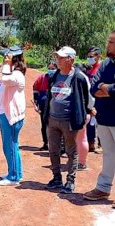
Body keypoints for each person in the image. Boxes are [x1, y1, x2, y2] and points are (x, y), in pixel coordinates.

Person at [44, 46, 89, 193]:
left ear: (71, 59)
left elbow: (86, 99)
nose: (58, 60)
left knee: (71, 151)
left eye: (61, 58)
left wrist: (82, 116)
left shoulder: (79, 78)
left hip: (69, 121)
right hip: (52, 120)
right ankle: (56, 178)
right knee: (53, 150)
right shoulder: (53, 76)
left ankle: (70, 181)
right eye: (57, 57)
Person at [83, 31, 115, 204]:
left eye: (111, 42)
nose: (107, 44)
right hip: (104, 118)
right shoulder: (105, 64)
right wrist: (107, 89)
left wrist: (106, 89)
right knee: (109, 155)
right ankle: (103, 188)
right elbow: (93, 87)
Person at [0, 46, 26, 186]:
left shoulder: (16, 74)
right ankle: (15, 172)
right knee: (11, 145)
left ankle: (13, 177)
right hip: (5, 114)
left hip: (10, 116)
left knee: (10, 145)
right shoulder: (12, 73)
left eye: (5, 57)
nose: (3, 60)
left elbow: (6, 80)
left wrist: (6, 65)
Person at [33, 62, 57, 151]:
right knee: (44, 124)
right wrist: (36, 102)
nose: (50, 70)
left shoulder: (58, 77)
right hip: (43, 105)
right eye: (49, 68)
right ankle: (46, 143)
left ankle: (57, 145)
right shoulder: (42, 77)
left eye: (53, 68)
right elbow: (35, 89)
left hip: (55, 105)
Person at [86, 47, 102, 154]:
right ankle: (90, 143)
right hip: (90, 98)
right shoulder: (89, 68)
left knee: (101, 121)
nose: (89, 58)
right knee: (90, 121)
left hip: (100, 99)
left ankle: (101, 144)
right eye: (88, 56)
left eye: (91, 56)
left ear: (98, 56)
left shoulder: (101, 68)